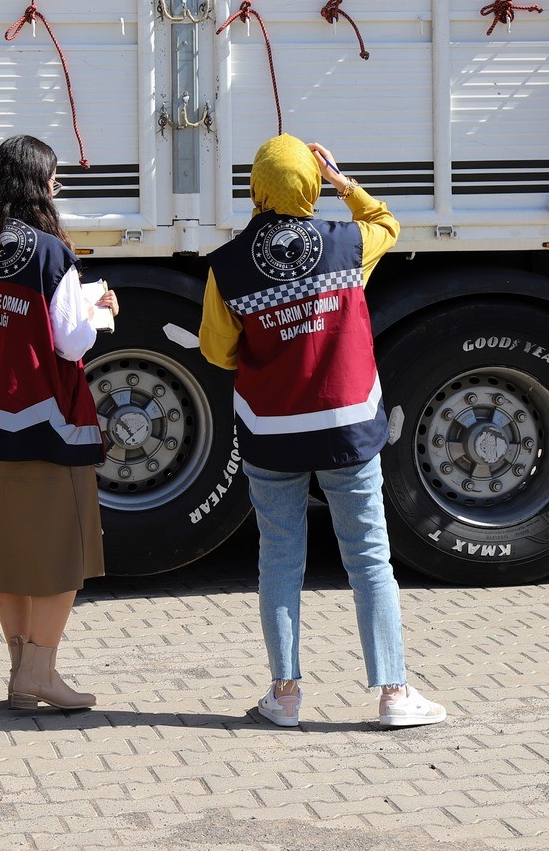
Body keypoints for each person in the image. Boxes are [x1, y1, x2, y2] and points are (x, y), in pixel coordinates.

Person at [199, 134, 447, 730]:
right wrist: (340, 179)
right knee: (369, 559)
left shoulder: (228, 267)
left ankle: (284, 695)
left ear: (257, 188)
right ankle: (393, 693)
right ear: (310, 184)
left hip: (271, 432)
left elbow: (216, 351)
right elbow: (386, 220)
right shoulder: (348, 243)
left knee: (280, 559)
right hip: (348, 430)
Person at [0, 133, 118, 712]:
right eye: (53, 177)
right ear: (37, 186)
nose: (57, 186)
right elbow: (69, 343)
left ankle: (22, 668)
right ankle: (39, 672)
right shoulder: (51, 253)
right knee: (58, 553)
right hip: (48, 425)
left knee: (7, 552)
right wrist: (99, 310)